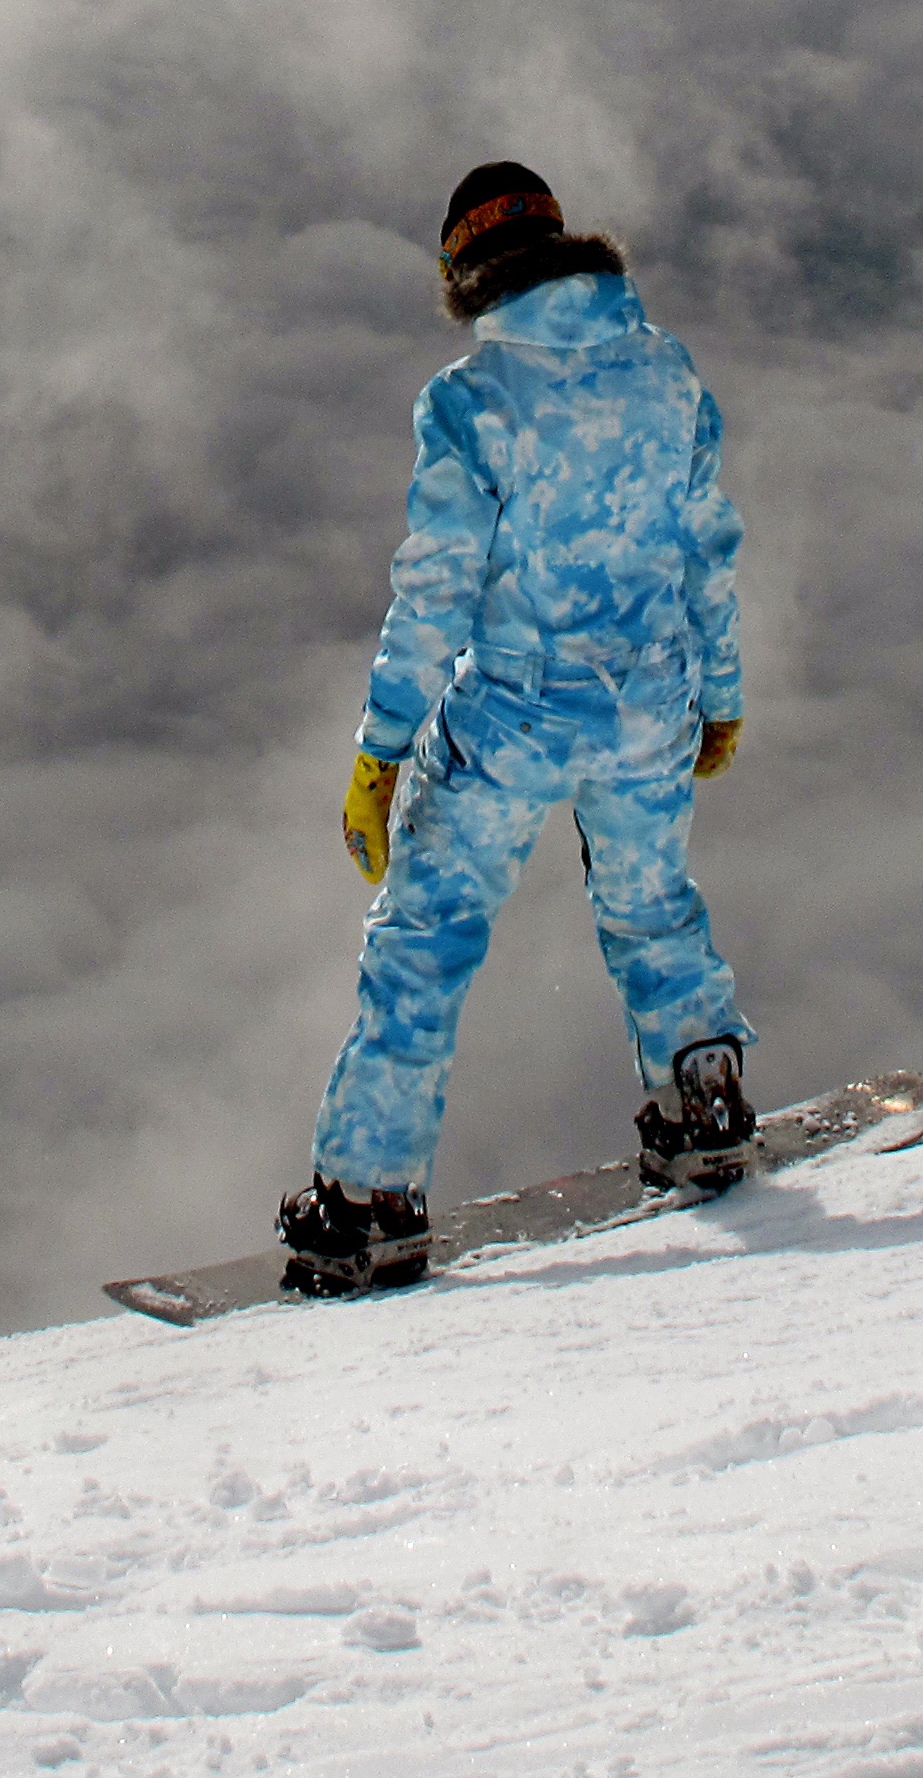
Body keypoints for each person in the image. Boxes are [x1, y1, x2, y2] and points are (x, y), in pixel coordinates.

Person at [277, 161, 756, 1295]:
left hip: (512, 713)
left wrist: (381, 749)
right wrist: (721, 696)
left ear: (465, 272)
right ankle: (707, 1102)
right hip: (651, 700)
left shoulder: (470, 401)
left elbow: (435, 589)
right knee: (652, 909)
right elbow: (707, 548)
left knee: (424, 942)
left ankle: (369, 1199)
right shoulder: (668, 371)